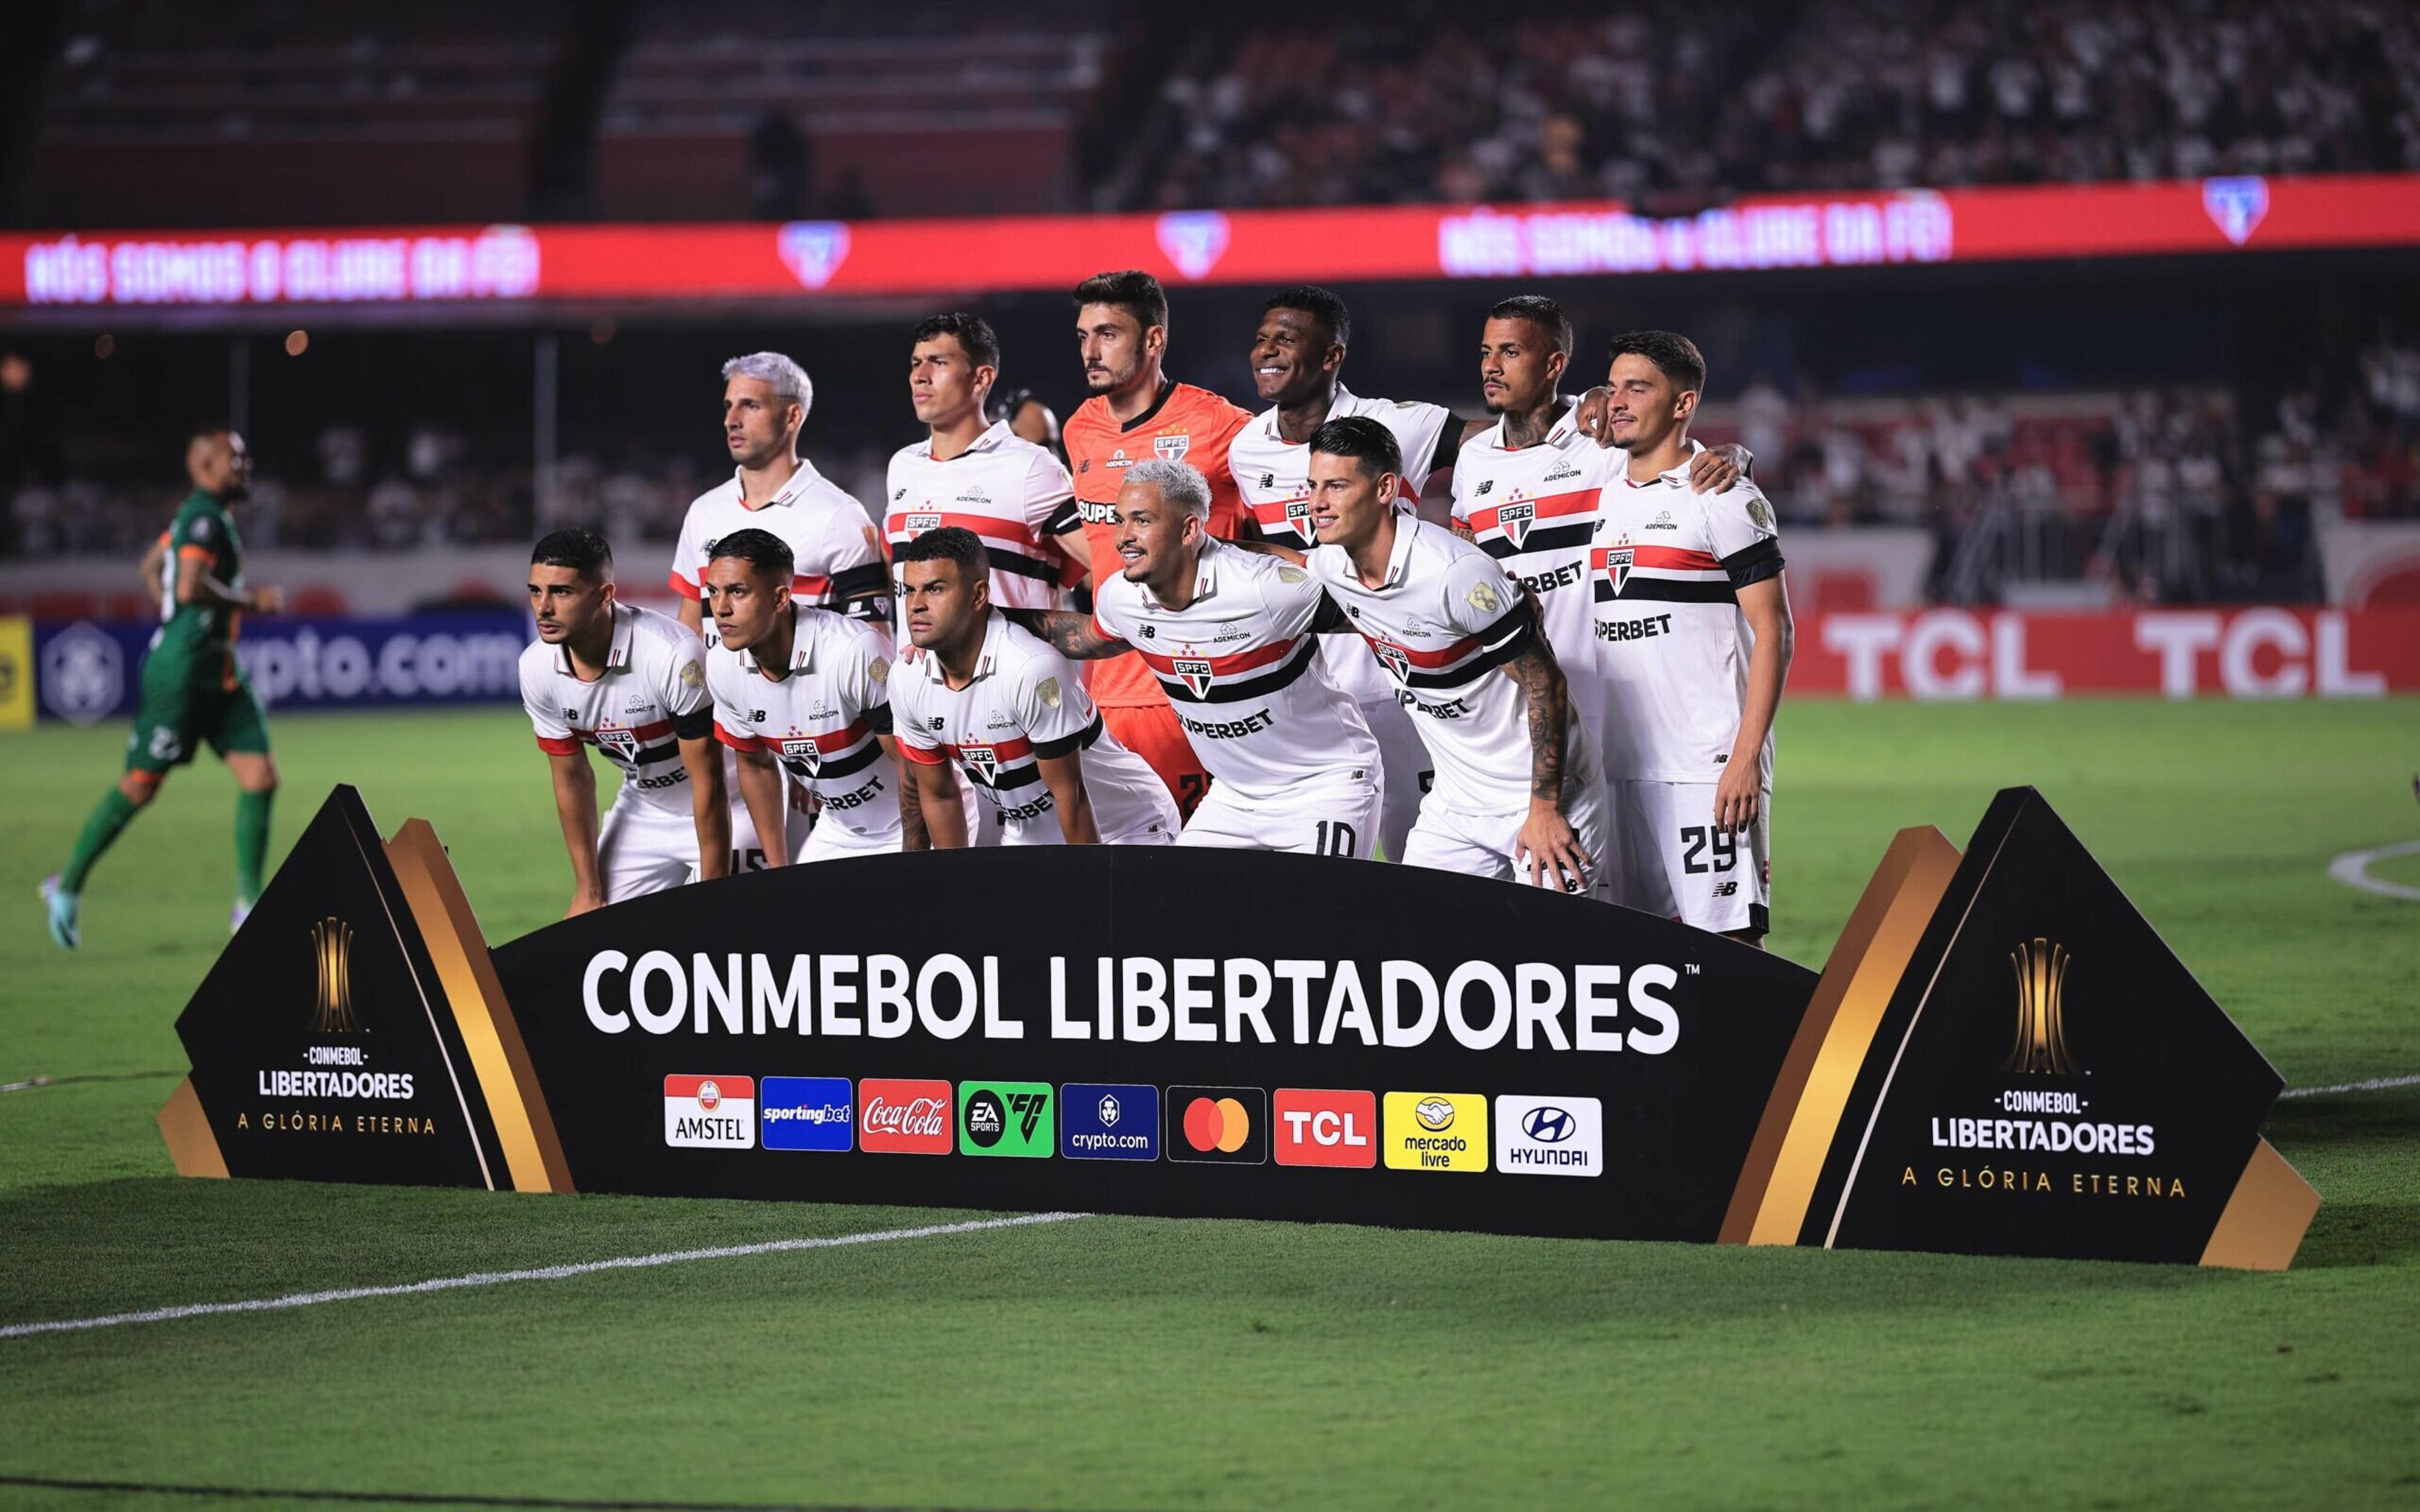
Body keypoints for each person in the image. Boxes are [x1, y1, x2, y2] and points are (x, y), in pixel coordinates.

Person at [1302, 417, 1606, 896]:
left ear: (1385, 489)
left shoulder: (1454, 573)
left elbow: (1546, 684)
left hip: (1539, 796)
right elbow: (1278, 569)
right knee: (1425, 948)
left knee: (1560, 961)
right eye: (1313, 485)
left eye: (1336, 486)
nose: (1317, 502)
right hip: (1455, 804)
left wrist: (1545, 809)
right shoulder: (1331, 565)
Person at [1023, 459, 1383, 856]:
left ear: (1190, 529)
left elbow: (1384, 610)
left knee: (1314, 917)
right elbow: (1088, 639)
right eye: (1119, 520)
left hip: (1323, 787)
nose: (1124, 537)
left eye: (1141, 521)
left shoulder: (1263, 588)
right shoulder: (1122, 597)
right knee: (1178, 913)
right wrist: (989, 621)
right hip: (1232, 798)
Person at [1450, 295, 1744, 760]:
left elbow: (1676, 457)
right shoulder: (1473, 459)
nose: (1492, 366)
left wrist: (1733, 454)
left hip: (1609, 698)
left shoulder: (1600, 436)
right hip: (1518, 707)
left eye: (1510, 353)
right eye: (1486, 352)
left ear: (1554, 364)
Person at [1227, 286, 1455, 861]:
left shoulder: (1389, 426)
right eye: (1261, 339)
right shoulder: (1248, 449)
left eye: (1286, 339)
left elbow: (1505, 438)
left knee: (1421, 863)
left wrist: (1586, 406)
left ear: (1331, 357)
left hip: (1397, 687)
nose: (1267, 352)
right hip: (1307, 700)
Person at [1589, 331, 1792, 944]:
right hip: (1620, 766)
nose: (1617, 400)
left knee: (1729, 947)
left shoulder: (1721, 496)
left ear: (1683, 404)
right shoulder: (1599, 490)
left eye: (1639, 387)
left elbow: (1774, 629)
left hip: (1706, 765)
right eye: (1614, 385)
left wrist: (1745, 759)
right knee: (1637, 951)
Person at [43, 428, 280, 948]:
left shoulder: (199, 517)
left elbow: (151, 569)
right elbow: (190, 586)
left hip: (219, 675)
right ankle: (68, 885)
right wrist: (249, 603)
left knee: (260, 775)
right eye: (233, 458)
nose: (244, 464)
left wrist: (171, 610)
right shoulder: (202, 516)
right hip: (181, 678)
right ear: (205, 467)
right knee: (140, 786)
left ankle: (248, 908)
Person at [669, 352, 887, 872]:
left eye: (749, 405)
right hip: (730, 740)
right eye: (728, 406)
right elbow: (688, 630)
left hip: (810, 755)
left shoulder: (837, 515)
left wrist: (822, 761)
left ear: (793, 416)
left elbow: (871, 642)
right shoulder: (705, 512)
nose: (731, 419)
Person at [1049, 270, 1252, 820]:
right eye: (1083, 336)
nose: (1090, 351)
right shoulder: (1079, 430)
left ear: (1154, 340)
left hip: (1196, 688)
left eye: (1108, 334)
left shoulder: (1218, 425)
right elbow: (1102, 549)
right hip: (1110, 693)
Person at [891, 527, 1176, 847]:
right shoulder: (906, 677)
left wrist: (1091, 893)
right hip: (1030, 835)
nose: (916, 604)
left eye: (935, 589)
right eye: (909, 590)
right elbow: (940, 797)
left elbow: (1074, 799)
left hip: (1122, 829)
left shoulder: (1031, 669)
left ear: (978, 595)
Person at [520, 528, 729, 914]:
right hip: (645, 805)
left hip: (730, 804)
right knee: (588, 936)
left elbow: (711, 781)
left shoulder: (671, 655)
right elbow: (572, 778)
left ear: (605, 596)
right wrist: (588, 889)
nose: (543, 608)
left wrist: (712, 897)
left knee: (715, 939)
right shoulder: (535, 668)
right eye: (535, 591)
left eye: (561, 592)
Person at [701, 528, 908, 861]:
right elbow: (755, 765)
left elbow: (915, 764)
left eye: (737, 591)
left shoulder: (852, 651)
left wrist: (917, 854)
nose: (720, 608)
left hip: (911, 822)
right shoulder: (721, 665)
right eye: (713, 592)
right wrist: (777, 867)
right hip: (838, 829)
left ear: (781, 598)